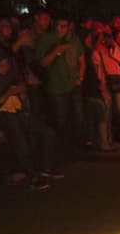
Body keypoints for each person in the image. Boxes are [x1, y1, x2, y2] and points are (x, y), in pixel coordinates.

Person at [0, 16, 59, 187]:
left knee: (46, 131)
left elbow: (20, 92)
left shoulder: (10, 76)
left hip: (16, 112)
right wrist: (9, 93)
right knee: (18, 134)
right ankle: (32, 176)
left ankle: (45, 167)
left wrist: (21, 95)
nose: (5, 66)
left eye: (6, 64)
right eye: (2, 64)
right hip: (1, 116)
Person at [35, 14, 86, 144]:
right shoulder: (47, 39)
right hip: (56, 86)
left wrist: (80, 76)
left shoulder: (73, 39)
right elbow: (42, 63)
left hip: (73, 83)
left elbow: (81, 59)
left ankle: (76, 143)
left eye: (65, 26)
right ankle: (62, 146)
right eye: (60, 26)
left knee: (77, 116)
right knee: (60, 119)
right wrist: (56, 50)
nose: (62, 29)